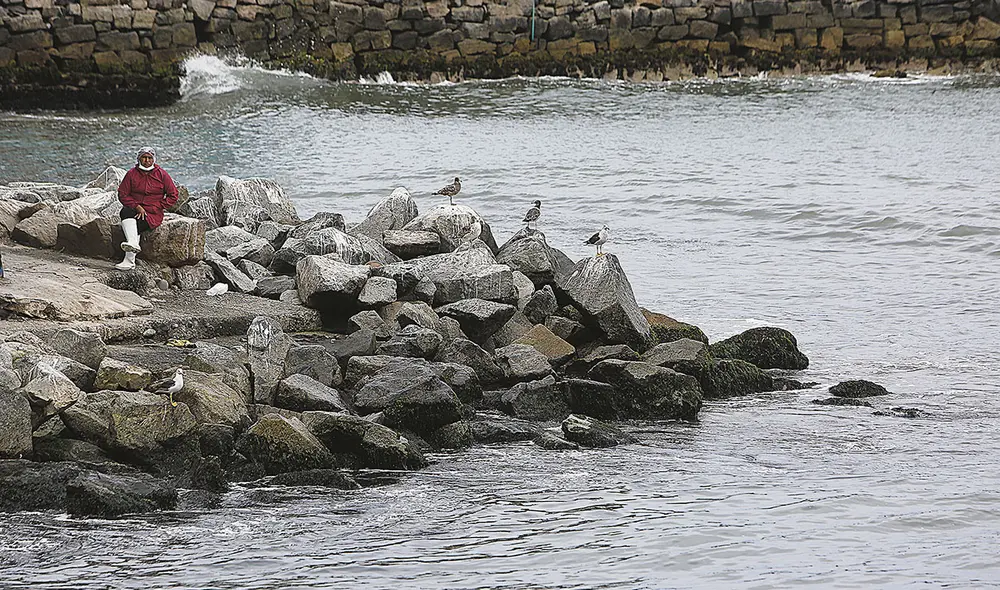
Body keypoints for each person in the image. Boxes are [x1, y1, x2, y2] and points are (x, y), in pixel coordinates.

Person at [115, 147, 178, 270]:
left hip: (152, 213)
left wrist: (157, 206)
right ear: (139, 158)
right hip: (135, 208)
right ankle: (133, 245)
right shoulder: (132, 174)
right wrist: (137, 206)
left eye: (149, 158)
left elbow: (173, 195)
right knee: (125, 211)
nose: (147, 160)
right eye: (144, 157)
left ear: (154, 159)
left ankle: (129, 260)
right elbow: (122, 194)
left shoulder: (162, 174)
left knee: (136, 225)